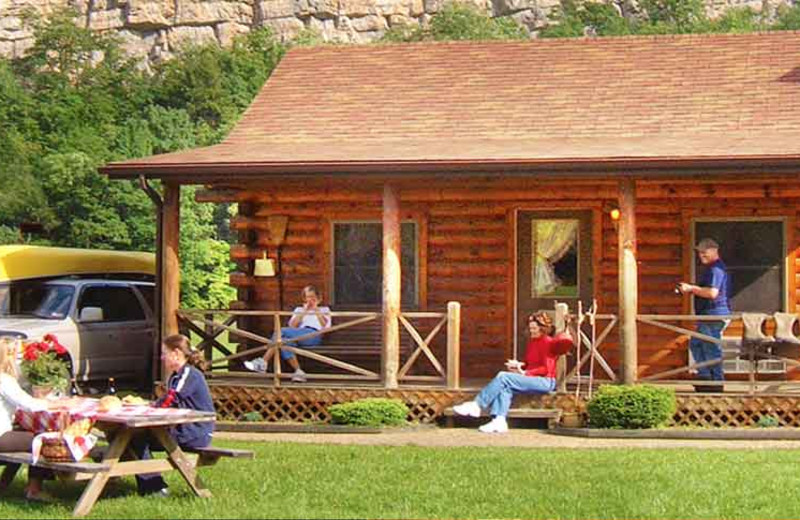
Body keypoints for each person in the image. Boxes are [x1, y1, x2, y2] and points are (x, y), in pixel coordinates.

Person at [452, 311, 573, 434]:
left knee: (503, 377)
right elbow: (528, 363)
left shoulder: (547, 342)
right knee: (505, 388)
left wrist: (525, 373)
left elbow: (545, 369)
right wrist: (518, 366)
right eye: (530, 328)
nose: (532, 331)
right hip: (533, 378)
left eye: (535, 328)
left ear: (542, 328)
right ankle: (499, 421)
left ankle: (477, 404)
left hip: (545, 381)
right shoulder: (532, 342)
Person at [132, 334, 215, 496]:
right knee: (132, 437)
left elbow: (172, 398)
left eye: (164, 353)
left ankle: (154, 487)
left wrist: (151, 408)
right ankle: (150, 486)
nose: (162, 358)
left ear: (176, 353)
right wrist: (150, 406)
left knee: (137, 438)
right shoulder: (175, 376)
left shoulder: (190, 374)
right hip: (181, 429)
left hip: (196, 432)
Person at [0, 336, 53, 502]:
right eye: (15, 355)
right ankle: (34, 489)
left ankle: (4, 485)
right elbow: (30, 405)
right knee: (43, 440)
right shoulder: (4, 380)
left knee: (25, 435)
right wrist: (55, 403)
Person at [245, 285, 332, 382]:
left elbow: (325, 326)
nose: (310, 299)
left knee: (281, 331)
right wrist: (304, 311)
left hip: (314, 335)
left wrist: (316, 310)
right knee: (283, 341)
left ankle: (263, 362)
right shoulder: (299, 310)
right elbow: (293, 326)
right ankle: (299, 371)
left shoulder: (325, 310)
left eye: (312, 297)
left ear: (318, 298)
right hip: (298, 335)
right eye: (308, 297)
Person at [678, 238, 731, 389]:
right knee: (696, 344)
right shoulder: (712, 269)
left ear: (715, 250)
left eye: (705, 251)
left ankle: (716, 382)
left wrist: (691, 289)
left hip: (714, 314)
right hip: (707, 314)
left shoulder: (716, 269)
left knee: (711, 347)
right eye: (700, 252)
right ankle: (705, 377)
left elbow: (712, 293)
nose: (701, 255)